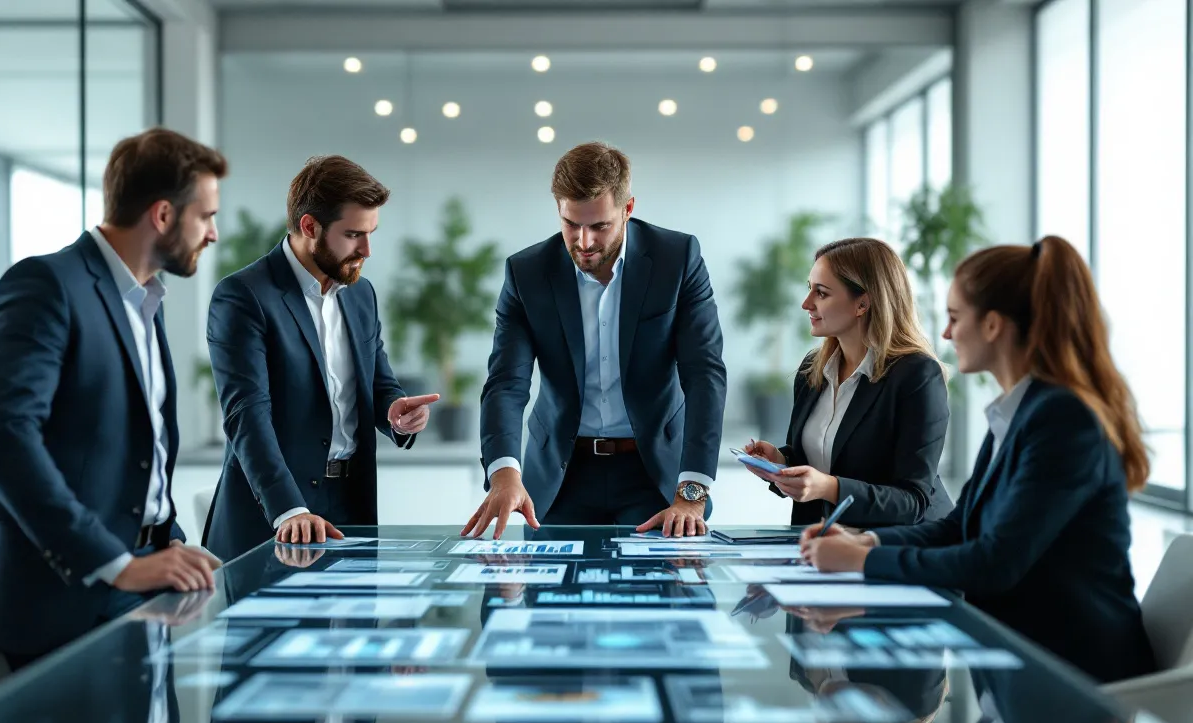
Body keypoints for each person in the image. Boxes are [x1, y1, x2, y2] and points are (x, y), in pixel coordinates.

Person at [801, 235, 1157, 685]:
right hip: (1022, 663)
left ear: (993, 325)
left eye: (954, 318)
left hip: (1075, 678)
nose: (946, 335)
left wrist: (861, 563)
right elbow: (959, 525)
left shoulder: (1063, 420)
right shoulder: (1020, 410)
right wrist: (867, 544)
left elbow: (994, 563)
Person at [0, 127, 227, 669]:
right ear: (163, 216)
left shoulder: (146, 300)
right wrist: (116, 563)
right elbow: (3, 436)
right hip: (65, 597)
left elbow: (138, 451)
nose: (213, 233)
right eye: (206, 216)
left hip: (144, 577)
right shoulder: (46, 285)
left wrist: (167, 542)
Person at [465, 142, 727, 539]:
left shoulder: (678, 258)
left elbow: (704, 374)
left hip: (656, 475)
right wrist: (503, 473)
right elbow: (507, 382)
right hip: (560, 478)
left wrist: (692, 492)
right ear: (558, 210)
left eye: (600, 226)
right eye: (571, 224)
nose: (584, 242)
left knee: (671, 596)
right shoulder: (527, 273)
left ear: (628, 208)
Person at [202, 155, 436, 562]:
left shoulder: (361, 294)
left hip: (352, 510)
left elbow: (379, 384)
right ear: (310, 227)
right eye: (353, 235)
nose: (367, 249)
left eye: (370, 233)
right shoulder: (243, 296)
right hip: (275, 517)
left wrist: (396, 412)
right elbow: (247, 415)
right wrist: (289, 510)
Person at [741, 237, 952, 527]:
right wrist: (781, 462)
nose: (806, 304)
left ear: (862, 303)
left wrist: (829, 487)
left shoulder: (916, 375)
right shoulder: (812, 370)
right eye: (809, 289)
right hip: (827, 546)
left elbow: (913, 501)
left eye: (822, 293)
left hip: (903, 550)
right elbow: (827, 460)